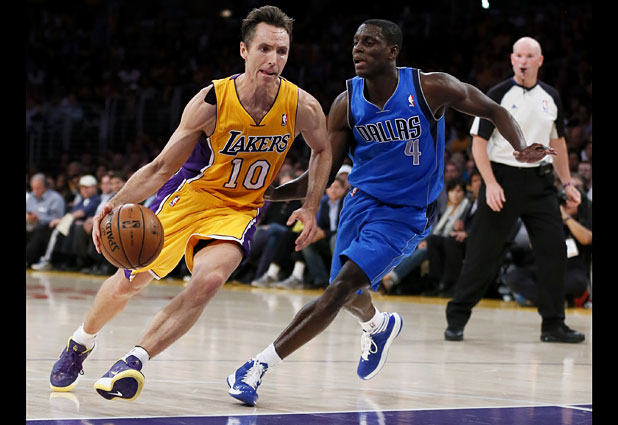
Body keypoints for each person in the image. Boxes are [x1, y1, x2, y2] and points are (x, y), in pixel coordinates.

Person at [226, 19, 554, 406]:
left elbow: (494, 110)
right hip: (359, 204)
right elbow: (322, 175)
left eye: (369, 42)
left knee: (337, 291)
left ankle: (256, 367)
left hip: (405, 213)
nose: (358, 49)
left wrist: (519, 146)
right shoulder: (346, 104)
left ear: (392, 52)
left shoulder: (431, 87)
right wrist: (266, 193)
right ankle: (377, 325)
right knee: (348, 292)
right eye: (355, 42)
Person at [49, 5, 332, 401]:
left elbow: (323, 150)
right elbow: (161, 166)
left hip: (239, 209)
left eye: (282, 51)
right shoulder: (212, 101)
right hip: (191, 197)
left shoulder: (302, 106)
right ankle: (81, 341)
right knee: (129, 281)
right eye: (265, 48)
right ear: (244, 50)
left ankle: (133, 361)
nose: (273, 59)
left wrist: (311, 203)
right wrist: (113, 202)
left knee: (208, 282)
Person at [444, 36, 585, 343]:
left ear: (540, 60)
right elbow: (478, 144)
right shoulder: (497, 95)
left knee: (554, 251)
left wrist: (567, 182)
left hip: (540, 183)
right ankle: (456, 318)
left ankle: (553, 325)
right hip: (502, 181)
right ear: (511, 60)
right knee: (483, 255)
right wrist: (490, 183)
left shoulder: (551, 96)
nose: (523, 61)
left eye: (529, 56)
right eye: (518, 55)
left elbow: (558, 142)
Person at [31, 175, 101, 270]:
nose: (84, 190)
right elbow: (73, 212)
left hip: (85, 227)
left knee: (60, 230)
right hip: (75, 226)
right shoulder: (82, 200)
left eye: (87, 187)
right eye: (82, 188)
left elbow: (80, 213)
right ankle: (58, 260)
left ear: (94, 187)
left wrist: (62, 220)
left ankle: (49, 260)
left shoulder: (96, 199)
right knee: (58, 230)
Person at [26, 173, 66, 268]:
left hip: (47, 228)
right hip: (30, 225)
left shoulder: (55, 198)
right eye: (33, 188)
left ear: (44, 187)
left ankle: (28, 259)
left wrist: (39, 218)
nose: (35, 191)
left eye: (37, 188)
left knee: (40, 229)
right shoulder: (30, 197)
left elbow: (59, 219)